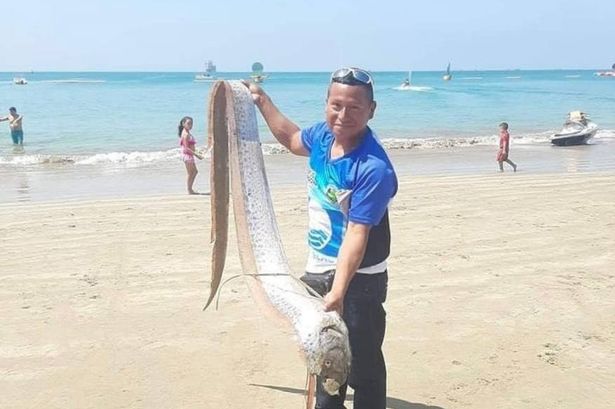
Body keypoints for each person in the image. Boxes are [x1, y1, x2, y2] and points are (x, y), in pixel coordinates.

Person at [244, 67, 398, 409]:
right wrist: (261, 101)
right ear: (326, 103)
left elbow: (357, 235)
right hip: (317, 272)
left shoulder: (373, 168)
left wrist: (338, 291)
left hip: (359, 282)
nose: (343, 115)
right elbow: (292, 138)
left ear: (372, 110)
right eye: (336, 105)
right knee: (327, 366)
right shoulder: (323, 137)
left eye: (355, 107)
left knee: (364, 368)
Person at [178, 116, 203, 194]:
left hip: (190, 154)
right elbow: (186, 148)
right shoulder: (185, 134)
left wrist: (197, 151)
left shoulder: (187, 132)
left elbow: (190, 146)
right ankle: (189, 189)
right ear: (183, 124)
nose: (190, 125)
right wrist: (196, 155)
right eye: (188, 123)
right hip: (187, 155)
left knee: (194, 172)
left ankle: (190, 189)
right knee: (192, 172)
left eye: (191, 124)